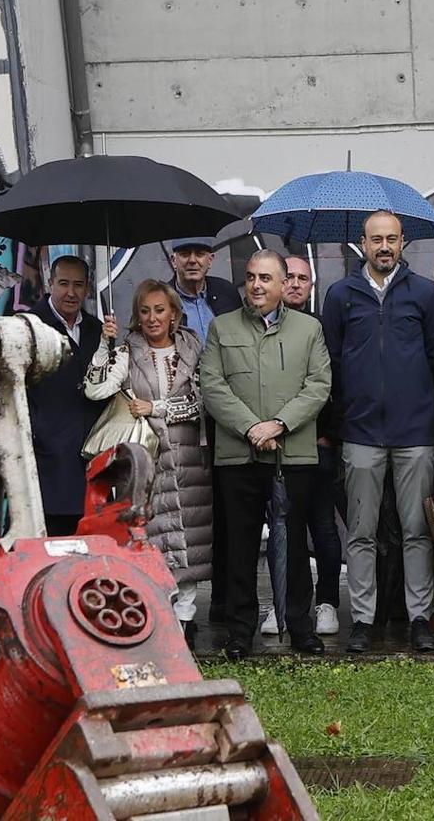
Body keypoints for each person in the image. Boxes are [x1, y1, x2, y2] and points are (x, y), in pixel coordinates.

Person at [322, 210, 434, 653]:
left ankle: (417, 617)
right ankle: (362, 618)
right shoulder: (341, 295)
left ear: (403, 244)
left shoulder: (425, 294)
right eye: (376, 239)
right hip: (359, 432)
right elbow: (332, 364)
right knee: (360, 531)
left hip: (415, 431)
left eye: (391, 239)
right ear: (363, 242)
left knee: (416, 530)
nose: (384, 247)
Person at [200, 249, 331, 660]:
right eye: (251, 277)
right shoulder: (222, 327)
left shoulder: (309, 329)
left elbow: (318, 385)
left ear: (282, 284)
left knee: (292, 546)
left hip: (292, 457)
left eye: (266, 279)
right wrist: (251, 428)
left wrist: (278, 424)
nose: (256, 285)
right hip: (238, 458)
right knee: (239, 547)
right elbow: (213, 385)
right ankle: (240, 632)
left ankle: (300, 626)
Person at [83, 280, 211, 649]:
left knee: (191, 543)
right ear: (136, 317)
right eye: (144, 311)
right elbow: (96, 389)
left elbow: (202, 401)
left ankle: (185, 622)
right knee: (150, 540)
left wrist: (155, 408)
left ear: (173, 313)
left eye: (159, 310)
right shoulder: (127, 349)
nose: (152, 318)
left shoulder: (192, 346)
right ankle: (158, 620)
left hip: (189, 458)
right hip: (146, 460)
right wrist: (104, 347)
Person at [259, 255, 342, 638]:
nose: (294, 284)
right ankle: (283, 605)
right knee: (281, 529)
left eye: (302, 279)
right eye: (288, 277)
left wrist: (327, 433)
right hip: (273, 446)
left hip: (317, 444)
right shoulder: (257, 326)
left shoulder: (321, 327)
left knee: (321, 526)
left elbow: (330, 384)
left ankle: (326, 602)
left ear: (311, 286)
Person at [166, 236, 240, 624]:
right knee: (188, 510)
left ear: (211, 259)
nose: (192, 260)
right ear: (173, 259)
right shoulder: (164, 299)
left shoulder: (227, 295)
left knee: (227, 509)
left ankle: (224, 601)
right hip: (182, 419)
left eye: (199, 253)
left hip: (225, 417)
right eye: (184, 254)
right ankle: (182, 602)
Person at [24, 254, 105, 536]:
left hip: (92, 462)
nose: (71, 293)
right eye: (64, 284)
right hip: (49, 462)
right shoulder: (29, 328)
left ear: (88, 288)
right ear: (50, 283)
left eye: (79, 285)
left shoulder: (98, 330)